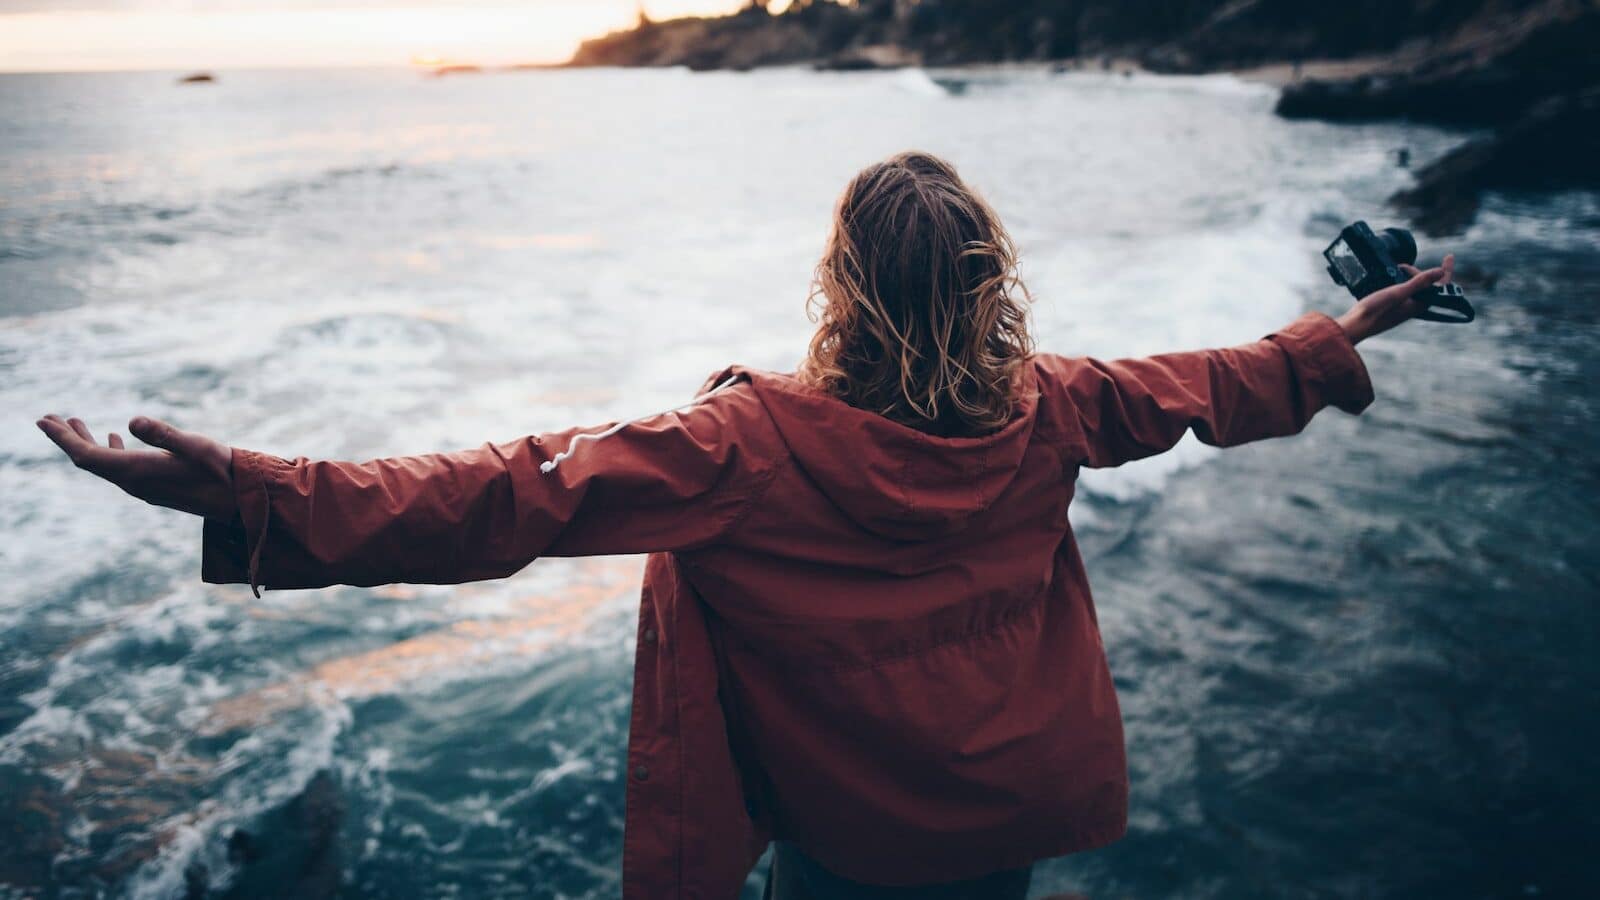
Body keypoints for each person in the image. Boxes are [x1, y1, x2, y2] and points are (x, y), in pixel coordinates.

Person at [37, 151, 1456, 900]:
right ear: (989, 287)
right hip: (1014, 802)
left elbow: (497, 495)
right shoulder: (1052, 405)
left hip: (856, 836)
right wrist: (1345, 331)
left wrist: (250, 491)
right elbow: (1210, 383)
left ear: (839, 285)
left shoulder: (744, 448)